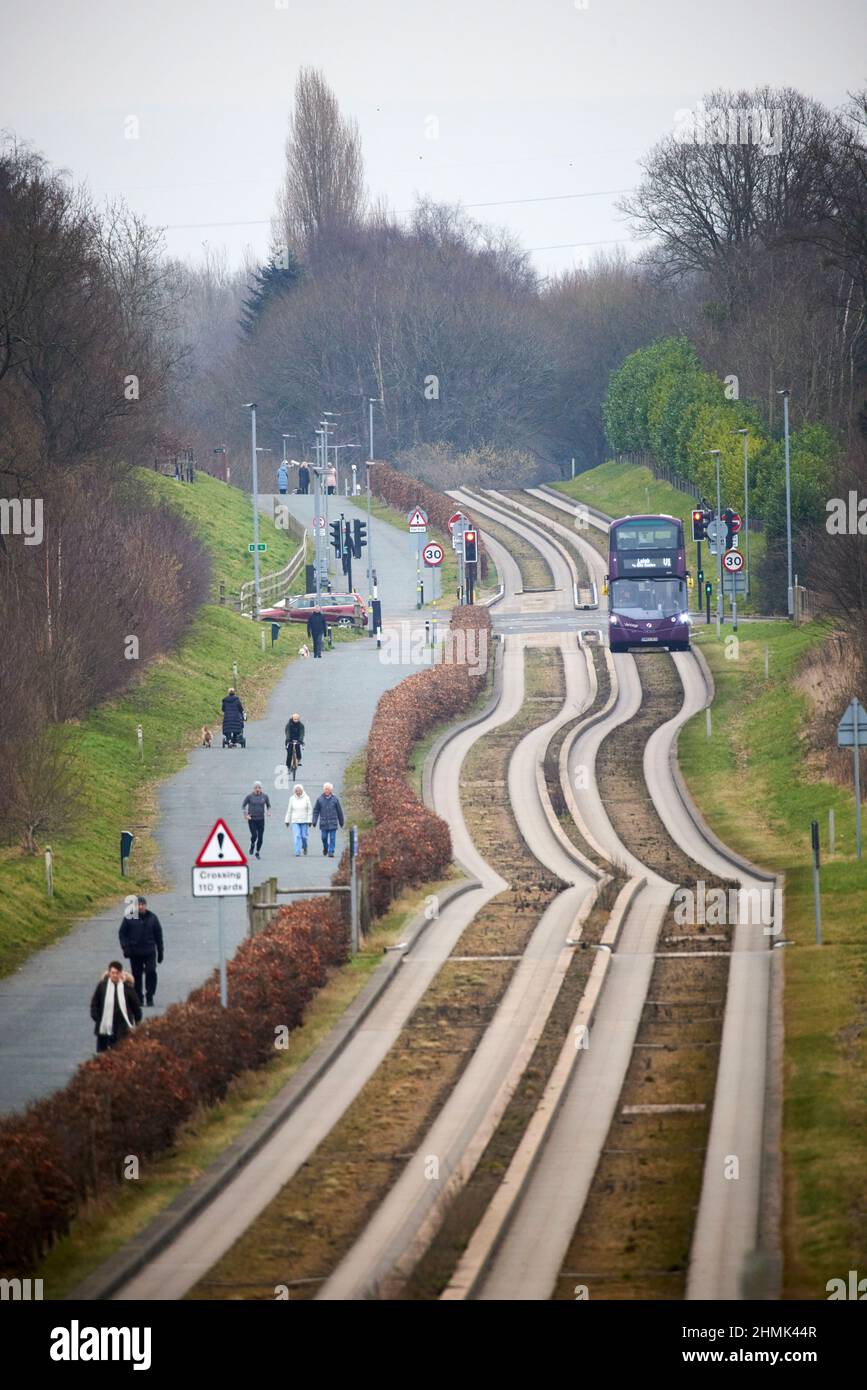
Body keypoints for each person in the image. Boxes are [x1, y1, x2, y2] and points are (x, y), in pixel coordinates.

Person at [118, 896, 164, 1007]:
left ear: (145, 905)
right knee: (136, 976)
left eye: (142, 904)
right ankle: (138, 997)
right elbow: (122, 933)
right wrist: (126, 947)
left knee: (151, 971)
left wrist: (160, 951)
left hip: (149, 951)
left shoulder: (153, 918)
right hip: (135, 952)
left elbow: (158, 935)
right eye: (138, 905)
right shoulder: (129, 918)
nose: (141, 907)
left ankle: (150, 996)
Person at [90, 961, 142, 1052]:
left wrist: (137, 1020)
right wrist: (96, 1016)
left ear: (121, 973)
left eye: (117, 973)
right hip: (104, 1026)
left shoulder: (127, 988)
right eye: (112, 973)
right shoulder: (102, 986)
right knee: (104, 1053)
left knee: (120, 1051)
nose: (114, 975)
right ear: (109, 973)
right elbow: (95, 1003)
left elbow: (136, 1006)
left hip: (122, 1025)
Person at [312, 782, 344, 857]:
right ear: (323, 790)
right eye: (325, 789)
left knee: (332, 838)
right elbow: (316, 811)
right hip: (324, 823)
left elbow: (339, 811)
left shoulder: (335, 799)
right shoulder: (319, 799)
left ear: (331, 790)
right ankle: (325, 847)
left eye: (328, 789)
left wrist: (341, 822)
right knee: (324, 838)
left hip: (333, 822)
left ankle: (331, 851)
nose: (326, 790)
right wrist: (314, 821)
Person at [242, 780, 271, 857]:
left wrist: (268, 811)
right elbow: (243, 806)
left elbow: (268, 805)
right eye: (256, 788)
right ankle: (252, 844)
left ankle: (257, 851)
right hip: (252, 819)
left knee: (260, 837)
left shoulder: (265, 796)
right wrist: (246, 815)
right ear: (253, 788)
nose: (257, 789)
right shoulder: (249, 797)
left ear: (261, 788)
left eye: (259, 787)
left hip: (261, 819)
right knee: (254, 835)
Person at [284, 783, 313, 856]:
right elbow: (289, 810)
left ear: (302, 790)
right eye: (296, 790)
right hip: (295, 821)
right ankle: (297, 851)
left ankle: (305, 847)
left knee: (304, 836)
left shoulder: (306, 798)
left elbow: (310, 809)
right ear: (295, 791)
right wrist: (287, 820)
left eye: (299, 790)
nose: (298, 792)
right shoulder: (292, 798)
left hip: (304, 820)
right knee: (297, 836)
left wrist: (310, 820)